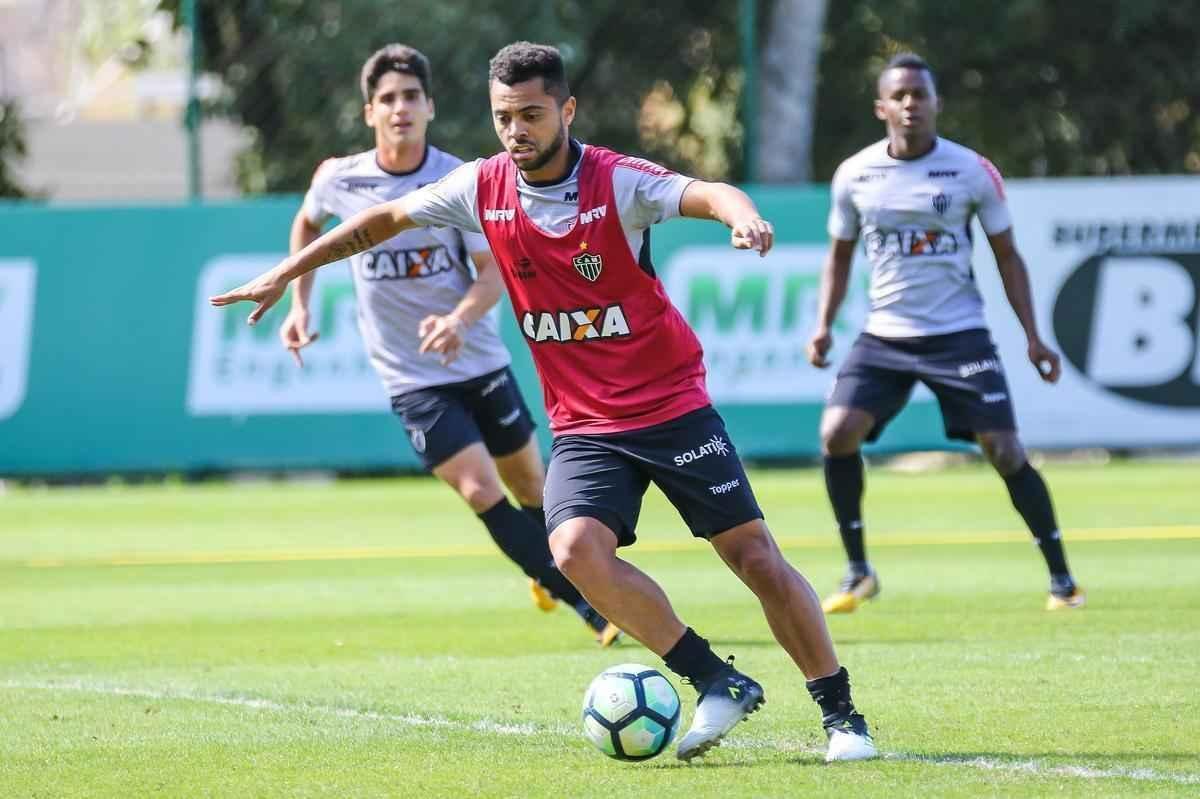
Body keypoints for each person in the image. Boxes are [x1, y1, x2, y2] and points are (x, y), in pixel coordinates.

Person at [211, 41, 877, 764]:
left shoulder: (618, 182)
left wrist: (739, 218)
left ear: (566, 110)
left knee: (753, 558)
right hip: (586, 426)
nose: (515, 130)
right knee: (571, 550)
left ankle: (842, 715)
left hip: (669, 406)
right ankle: (716, 678)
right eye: (503, 117)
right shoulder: (479, 186)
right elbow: (378, 222)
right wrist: (286, 272)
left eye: (531, 114)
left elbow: (706, 192)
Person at [280, 43, 617, 646]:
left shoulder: (459, 181)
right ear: (369, 113)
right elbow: (308, 222)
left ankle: (548, 569)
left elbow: (493, 273)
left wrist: (461, 319)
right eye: (387, 99)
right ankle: (590, 607)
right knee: (479, 489)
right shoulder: (340, 178)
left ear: (430, 107)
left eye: (411, 97)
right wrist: (300, 302)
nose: (400, 108)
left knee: (532, 490)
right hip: (412, 378)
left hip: (479, 358)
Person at [808, 52, 1085, 614]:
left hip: (959, 334)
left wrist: (1034, 336)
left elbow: (1009, 257)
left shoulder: (970, 171)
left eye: (921, 95)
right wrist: (822, 326)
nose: (912, 104)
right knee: (837, 434)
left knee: (1004, 450)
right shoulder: (854, 175)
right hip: (884, 336)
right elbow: (838, 258)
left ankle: (1062, 580)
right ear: (882, 106)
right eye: (901, 95)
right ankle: (858, 571)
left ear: (937, 104)